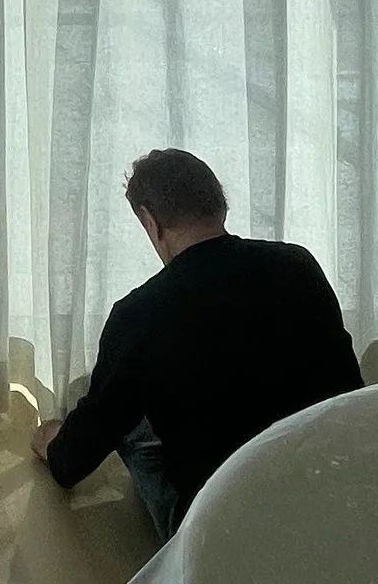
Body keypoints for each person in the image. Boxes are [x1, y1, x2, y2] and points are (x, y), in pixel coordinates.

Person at [34, 148, 361, 540]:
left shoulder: (139, 313)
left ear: (149, 221)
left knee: (127, 420)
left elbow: (72, 463)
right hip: (327, 499)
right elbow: (347, 390)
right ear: (219, 208)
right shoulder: (298, 266)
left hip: (219, 531)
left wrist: (53, 440)